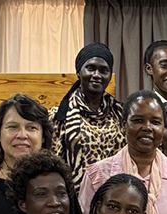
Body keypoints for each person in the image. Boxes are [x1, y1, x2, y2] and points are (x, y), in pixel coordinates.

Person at [50, 42, 124, 190]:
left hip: (115, 197)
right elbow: (53, 163)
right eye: (90, 68)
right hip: (74, 198)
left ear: (110, 76)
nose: (96, 75)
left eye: (103, 70)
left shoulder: (122, 114)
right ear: (78, 72)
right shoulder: (58, 116)